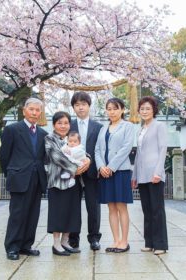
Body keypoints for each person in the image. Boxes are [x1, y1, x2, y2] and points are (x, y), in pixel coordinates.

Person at [0, 97, 48, 261]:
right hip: (19, 176)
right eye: (31, 109)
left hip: (37, 178)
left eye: (37, 110)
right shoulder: (12, 129)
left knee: (33, 214)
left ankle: (26, 245)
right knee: (17, 214)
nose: (34, 112)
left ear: (40, 113)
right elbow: (4, 156)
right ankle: (12, 247)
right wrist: (11, 173)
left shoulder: (43, 133)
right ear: (24, 110)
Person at [45, 111, 90, 256]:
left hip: (74, 182)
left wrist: (88, 160)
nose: (63, 126)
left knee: (72, 212)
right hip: (58, 181)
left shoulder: (71, 138)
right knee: (59, 212)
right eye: (59, 123)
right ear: (54, 124)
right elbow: (56, 157)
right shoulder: (50, 138)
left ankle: (65, 241)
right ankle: (56, 244)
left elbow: (82, 151)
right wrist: (75, 169)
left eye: (66, 123)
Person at [95, 97, 135, 253]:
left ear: (122, 110)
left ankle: (124, 241)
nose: (111, 112)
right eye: (109, 109)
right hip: (104, 173)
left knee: (121, 206)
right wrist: (101, 167)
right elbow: (97, 150)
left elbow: (126, 148)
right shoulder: (103, 128)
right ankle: (115, 240)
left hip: (120, 171)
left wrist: (111, 167)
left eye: (115, 108)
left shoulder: (128, 126)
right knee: (111, 207)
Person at [131, 96, 168, 255]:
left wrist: (158, 172)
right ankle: (149, 242)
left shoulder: (159, 126)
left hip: (154, 173)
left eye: (148, 108)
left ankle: (160, 244)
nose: (144, 111)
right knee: (146, 210)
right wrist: (134, 176)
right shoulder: (141, 129)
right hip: (142, 174)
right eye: (142, 109)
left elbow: (163, 149)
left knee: (157, 210)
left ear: (154, 110)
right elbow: (138, 154)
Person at [69, 91, 103, 251]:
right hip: (72, 173)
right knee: (73, 206)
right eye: (77, 105)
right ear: (73, 108)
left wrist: (91, 163)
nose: (80, 107)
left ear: (89, 106)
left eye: (83, 104)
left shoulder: (99, 127)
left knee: (93, 207)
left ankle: (94, 238)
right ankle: (73, 238)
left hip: (92, 172)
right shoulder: (68, 125)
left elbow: (101, 150)